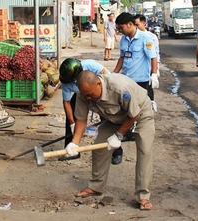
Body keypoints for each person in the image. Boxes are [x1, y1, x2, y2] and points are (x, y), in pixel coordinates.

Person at [65, 70, 155, 210]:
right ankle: (96, 187)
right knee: (99, 148)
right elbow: (81, 119)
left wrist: (119, 135)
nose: (88, 98)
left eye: (90, 95)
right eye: (85, 95)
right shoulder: (83, 94)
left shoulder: (120, 88)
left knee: (144, 151)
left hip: (140, 113)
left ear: (99, 84)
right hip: (114, 118)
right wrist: (74, 143)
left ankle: (143, 196)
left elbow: (133, 114)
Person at [58, 58, 124, 165]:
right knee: (72, 117)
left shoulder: (91, 65)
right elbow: (66, 102)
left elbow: (110, 80)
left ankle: (117, 151)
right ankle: (72, 149)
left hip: (99, 92)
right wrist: (72, 124)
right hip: (80, 95)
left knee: (108, 121)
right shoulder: (65, 80)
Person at [113, 12, 158, 102]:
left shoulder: (145, 38)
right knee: (127, 105)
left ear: (130, 24)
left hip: (140, 81)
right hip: (125, 79)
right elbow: (122, 58)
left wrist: (154, 74)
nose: (120, 31)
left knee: (140, 106)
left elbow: (153, 57)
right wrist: (113, 74)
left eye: (121, 28)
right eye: (118, 29)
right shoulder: (123, 39)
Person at [133, 14, 160, 109]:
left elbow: (156, 54)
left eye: (137, 24)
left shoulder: (151, 37)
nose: (135, 27)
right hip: (138, 72)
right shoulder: (131, 37)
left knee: (148, 92)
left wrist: (155, 71)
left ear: (143, 23)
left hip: (149, 69)